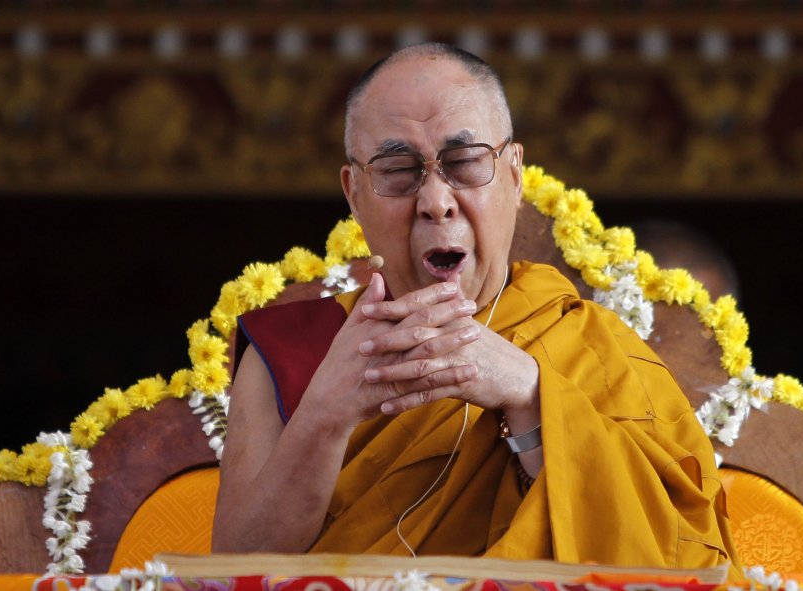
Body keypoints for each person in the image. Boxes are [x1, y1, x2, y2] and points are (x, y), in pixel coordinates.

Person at [213, 43, 740, 572]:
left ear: (514, 175)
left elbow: (682, 558)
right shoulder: (293, 350)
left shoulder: (593, 348)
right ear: (355, 194)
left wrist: (532, 394)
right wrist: (326, 413)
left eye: (464, 163)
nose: (436, 200)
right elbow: (234, 574)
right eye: (398, 170)